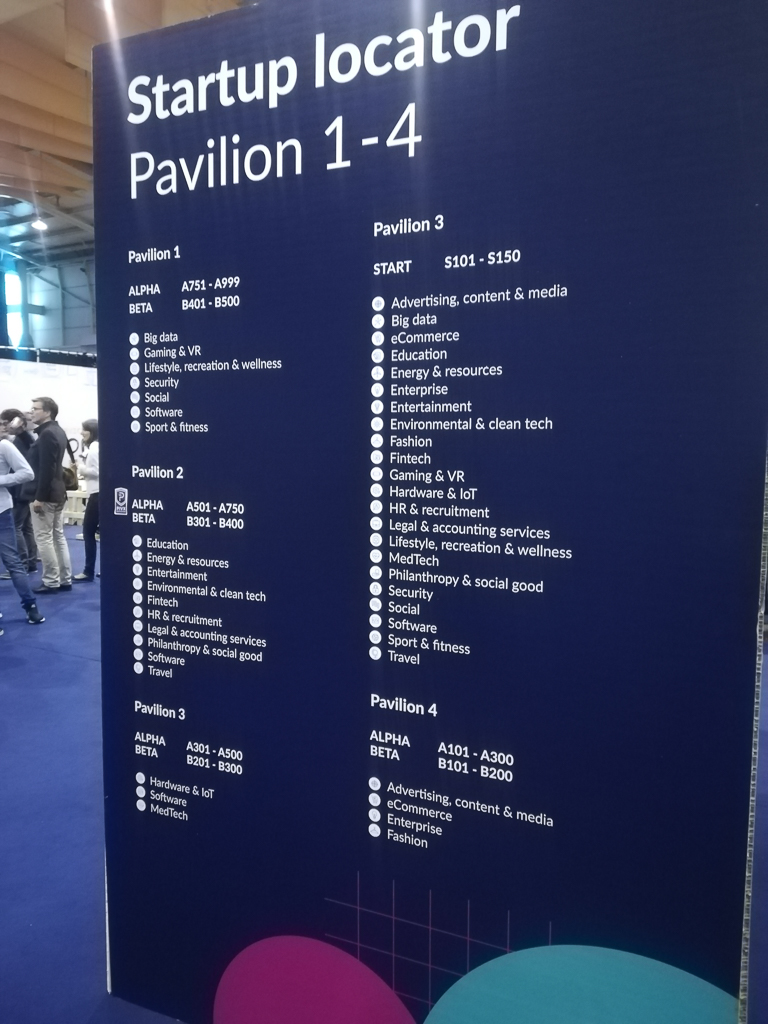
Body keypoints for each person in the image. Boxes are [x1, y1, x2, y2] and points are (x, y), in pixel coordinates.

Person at [0, 428, 45, 631]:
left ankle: (30, 606)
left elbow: (27, 473)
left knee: (13, 562)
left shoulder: (4, 446)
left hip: (1, 512)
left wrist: (1, 480)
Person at [27, 396, 73, 594]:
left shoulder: (46, 434)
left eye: (35, 409)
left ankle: (51, 580)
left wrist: (39, 497)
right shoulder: (58, 430)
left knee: (45, 538)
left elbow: (47, 469)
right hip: (58, 492)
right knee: (57, 537)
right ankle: (64, 578)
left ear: (47, 412)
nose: (31, 412)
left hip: (46, 494)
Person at [0, 409, 39, 575]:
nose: (3, 427)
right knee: (26, 528)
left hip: (19, 491)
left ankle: (23, 564)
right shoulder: (21, 440)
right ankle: (30, 562)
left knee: (17, 528)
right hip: (25, 490)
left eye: (5, 423)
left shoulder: (15, 442)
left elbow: (25, 471)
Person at [74, 419, 99, 582]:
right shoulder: (98, 446)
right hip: (100, 493)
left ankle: (88, 571)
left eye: (84, 430)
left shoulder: (94, 447)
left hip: (97, 494)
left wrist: (81, 468)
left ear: (92, 431)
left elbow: (97, 471)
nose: (81, 432)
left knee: (88, 532)